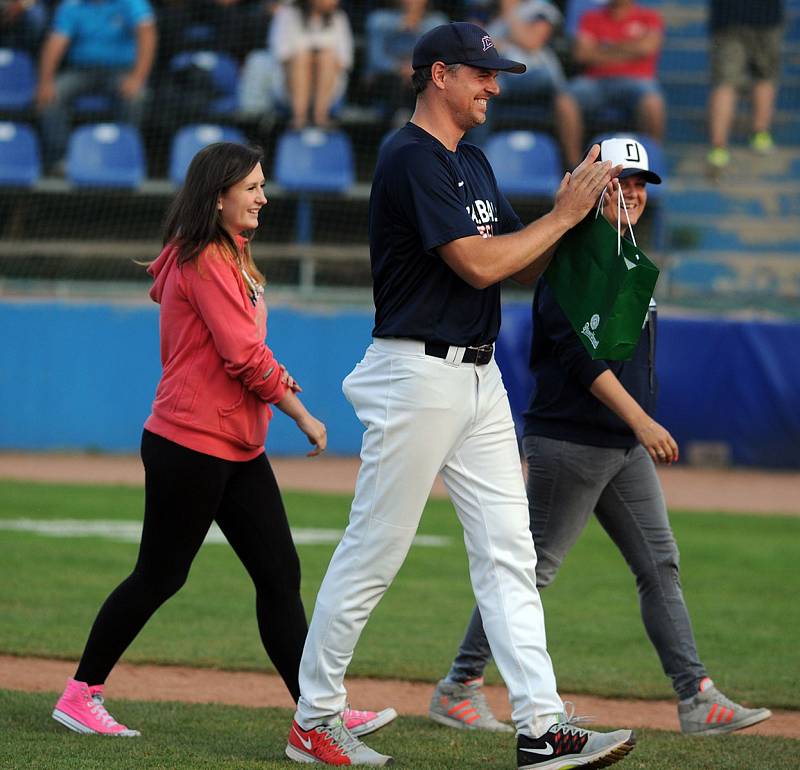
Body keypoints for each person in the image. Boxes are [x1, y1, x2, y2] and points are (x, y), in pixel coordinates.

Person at [285, 22, 637, 769]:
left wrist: (595, 220)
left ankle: (540, 728)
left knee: (509, 552)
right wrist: (563, 215)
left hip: (478, 379)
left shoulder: (471, 160)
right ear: (438, 74)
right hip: (416, 372)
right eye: (482, 73)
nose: (495, 86)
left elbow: (525, 255)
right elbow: (479, 264)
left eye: (497, 73)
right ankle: (314, 718)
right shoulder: (409, 157)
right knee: (375, 549)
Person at [429, 136, 774, 738]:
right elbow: (583, 359)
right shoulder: (572, 256)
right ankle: (460, 685)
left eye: (641, 184)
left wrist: (635, 426)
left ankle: (698, 697)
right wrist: (642, 419)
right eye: (621, 181)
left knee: (659, 562)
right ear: (591, 188)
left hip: (618, 447)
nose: (634, 193)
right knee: (529, 570)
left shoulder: (624, 255)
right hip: (571, 441)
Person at [51, 142, 396, 741]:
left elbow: (240, 349)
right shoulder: (207, 259)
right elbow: (244, 357)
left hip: (234, 445)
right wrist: (302, 413)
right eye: (253, 187)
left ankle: (318, 711)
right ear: (219, 197)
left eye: (263, 185)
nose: (264, 196)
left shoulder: (230, 256)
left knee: (279, 573)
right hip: (190, 443)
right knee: (159, 576)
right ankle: (80, 694)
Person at [35, 0, 158, 174]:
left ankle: (122, 157)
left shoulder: (131, 3)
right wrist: (45, 82)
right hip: (81, 71)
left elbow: (147, 35)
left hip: (120, 72)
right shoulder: (72, 5)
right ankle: (60, 160)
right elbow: (55, 43)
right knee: (52, 95)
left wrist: (138, 78)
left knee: (137, 96)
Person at [485, 0, 583, 167]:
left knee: (551, 84)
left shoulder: (541, 8)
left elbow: (531, 41)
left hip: (535, 74)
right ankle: (479, 154)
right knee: (480, 90)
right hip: (502, 78)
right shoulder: (493, 13)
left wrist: (509, 9)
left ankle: (572, 165)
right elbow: (481, 47)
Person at [568, 0, 665, 147]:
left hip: (637, 82)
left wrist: (603, 47)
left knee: (653, 103)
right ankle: (574, 163)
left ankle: (653, 159)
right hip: (595, 82)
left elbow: (647, 48)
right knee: (565, 99)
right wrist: (631, 49)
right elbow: (582, 54)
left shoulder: (649, 16)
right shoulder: (591, 16)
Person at [706, 0, 785, 173]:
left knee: (726, 83)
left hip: (730, 18)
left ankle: (719, 147)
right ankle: (759, 135)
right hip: (762, 17)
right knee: (763, 77)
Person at [269, 0, 353, 129]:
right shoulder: (287, 14)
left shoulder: (339, 17)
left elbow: (345, 60)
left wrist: (318, 62)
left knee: (327, 57)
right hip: (290, 86)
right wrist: (309, 60)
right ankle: (299, 118)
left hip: (329, 87)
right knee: (301, 57)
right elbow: (281, 55)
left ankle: (320, 117)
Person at [363, 0, 448, 126]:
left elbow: (439, 58)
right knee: (394, 82)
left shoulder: (436, 21)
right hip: (386, 80)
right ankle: (398, 120)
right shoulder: (379, 19)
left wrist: (414, 67)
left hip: (420, 78)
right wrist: (398, 67)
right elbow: (376, 60)